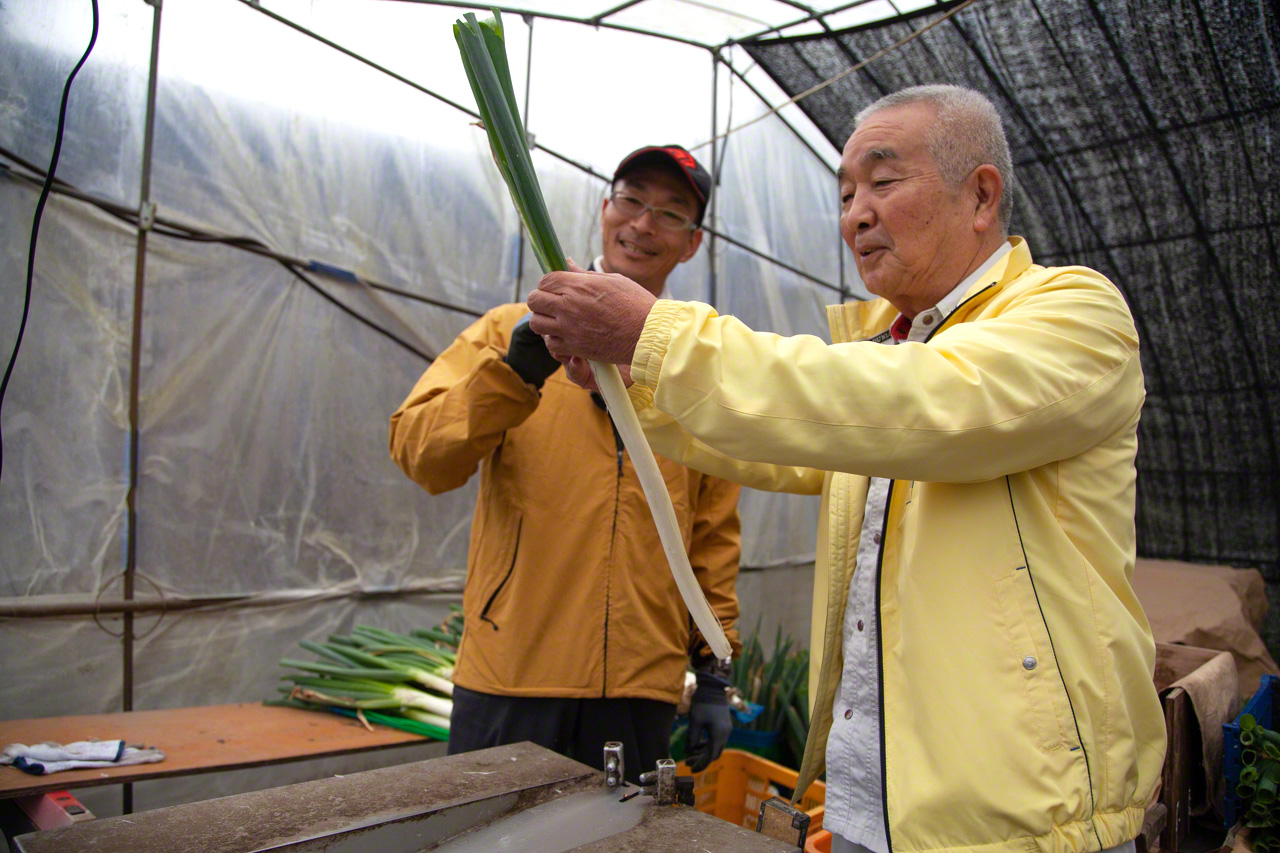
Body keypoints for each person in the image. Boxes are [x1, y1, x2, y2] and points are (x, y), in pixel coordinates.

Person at [528, 86, 1165, 853]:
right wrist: (636, 383)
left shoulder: (1073, 316)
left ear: (981, 195)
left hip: (1024, 825)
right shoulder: (888, 355)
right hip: (869, 809)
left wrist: (658, 337)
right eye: (844, 192)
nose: (854, 212)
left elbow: (922, 404)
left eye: (883, 181)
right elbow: (790, 440)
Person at [389, 144, 742, 783]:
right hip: (513, 671)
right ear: (605, 209)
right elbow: (420, 453)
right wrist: (514, 374)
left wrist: (714, 670)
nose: (642, 224)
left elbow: (712, 533)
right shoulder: (510, 329)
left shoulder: (695, 361)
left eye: (669, 214)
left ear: (691, 245)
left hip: (641, 685)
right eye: (632, 200)